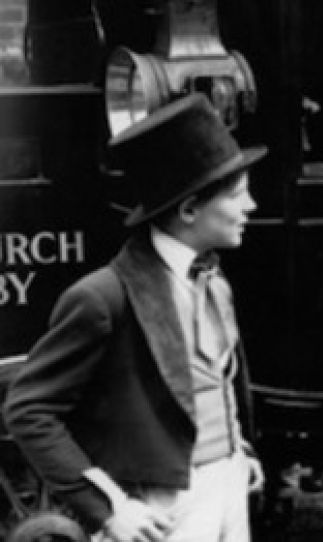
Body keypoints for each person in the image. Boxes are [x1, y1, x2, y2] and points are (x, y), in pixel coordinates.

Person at [3, 93, 266, 542]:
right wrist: (109, 509)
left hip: (228, 487)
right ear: (189, 210)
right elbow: (28, 409)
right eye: (238, 195)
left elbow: (213, 384)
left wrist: (236, 451)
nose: (252, 206)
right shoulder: (104, 297)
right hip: (162, 510)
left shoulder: (216, 283)